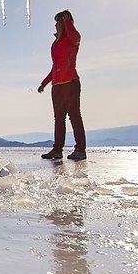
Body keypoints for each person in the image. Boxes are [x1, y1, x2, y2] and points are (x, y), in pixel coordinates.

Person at [37, 10, 86, 161]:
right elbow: (55, 67)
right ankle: (57, 150)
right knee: (59, 119)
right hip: (57, 86)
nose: (56, 25)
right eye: (56, 23)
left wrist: (67, 21)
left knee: (74, 116)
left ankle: (80, 150)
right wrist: (44, 83)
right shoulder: (55, 44)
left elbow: (76, 37)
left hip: (70, 83)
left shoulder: (71, 38)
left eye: (59, 22)